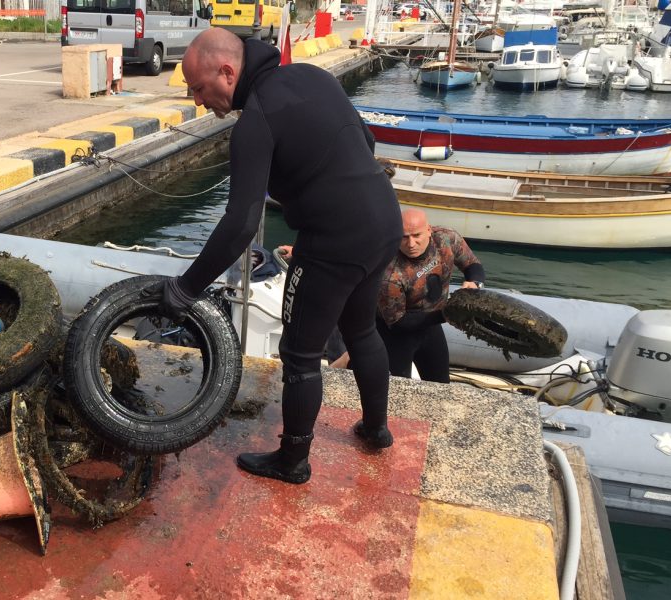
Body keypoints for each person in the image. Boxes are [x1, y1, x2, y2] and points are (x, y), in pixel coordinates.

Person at [142, 28, 403, 484]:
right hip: (383, 219)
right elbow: (365, 140)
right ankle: (377, 430)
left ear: (227, 72)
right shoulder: (309, 75)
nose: (198, 102)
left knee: (300, 353)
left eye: (199, 89)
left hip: (334, 239)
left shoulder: (254, 123)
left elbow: (240, 225)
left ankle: (293, 461)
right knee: (361, 328)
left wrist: (184, 289)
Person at [377, 208, 485, 383]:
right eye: (404, 237)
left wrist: (475, 283)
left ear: (429, 230)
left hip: (431, 327)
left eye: (416, 235)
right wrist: (449, 314)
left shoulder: (446, 239)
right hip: (395, 334)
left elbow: (472, 265)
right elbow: (398, 323)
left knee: (441, 384)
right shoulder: (390, 273)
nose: (411, 244)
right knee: (397, 389)